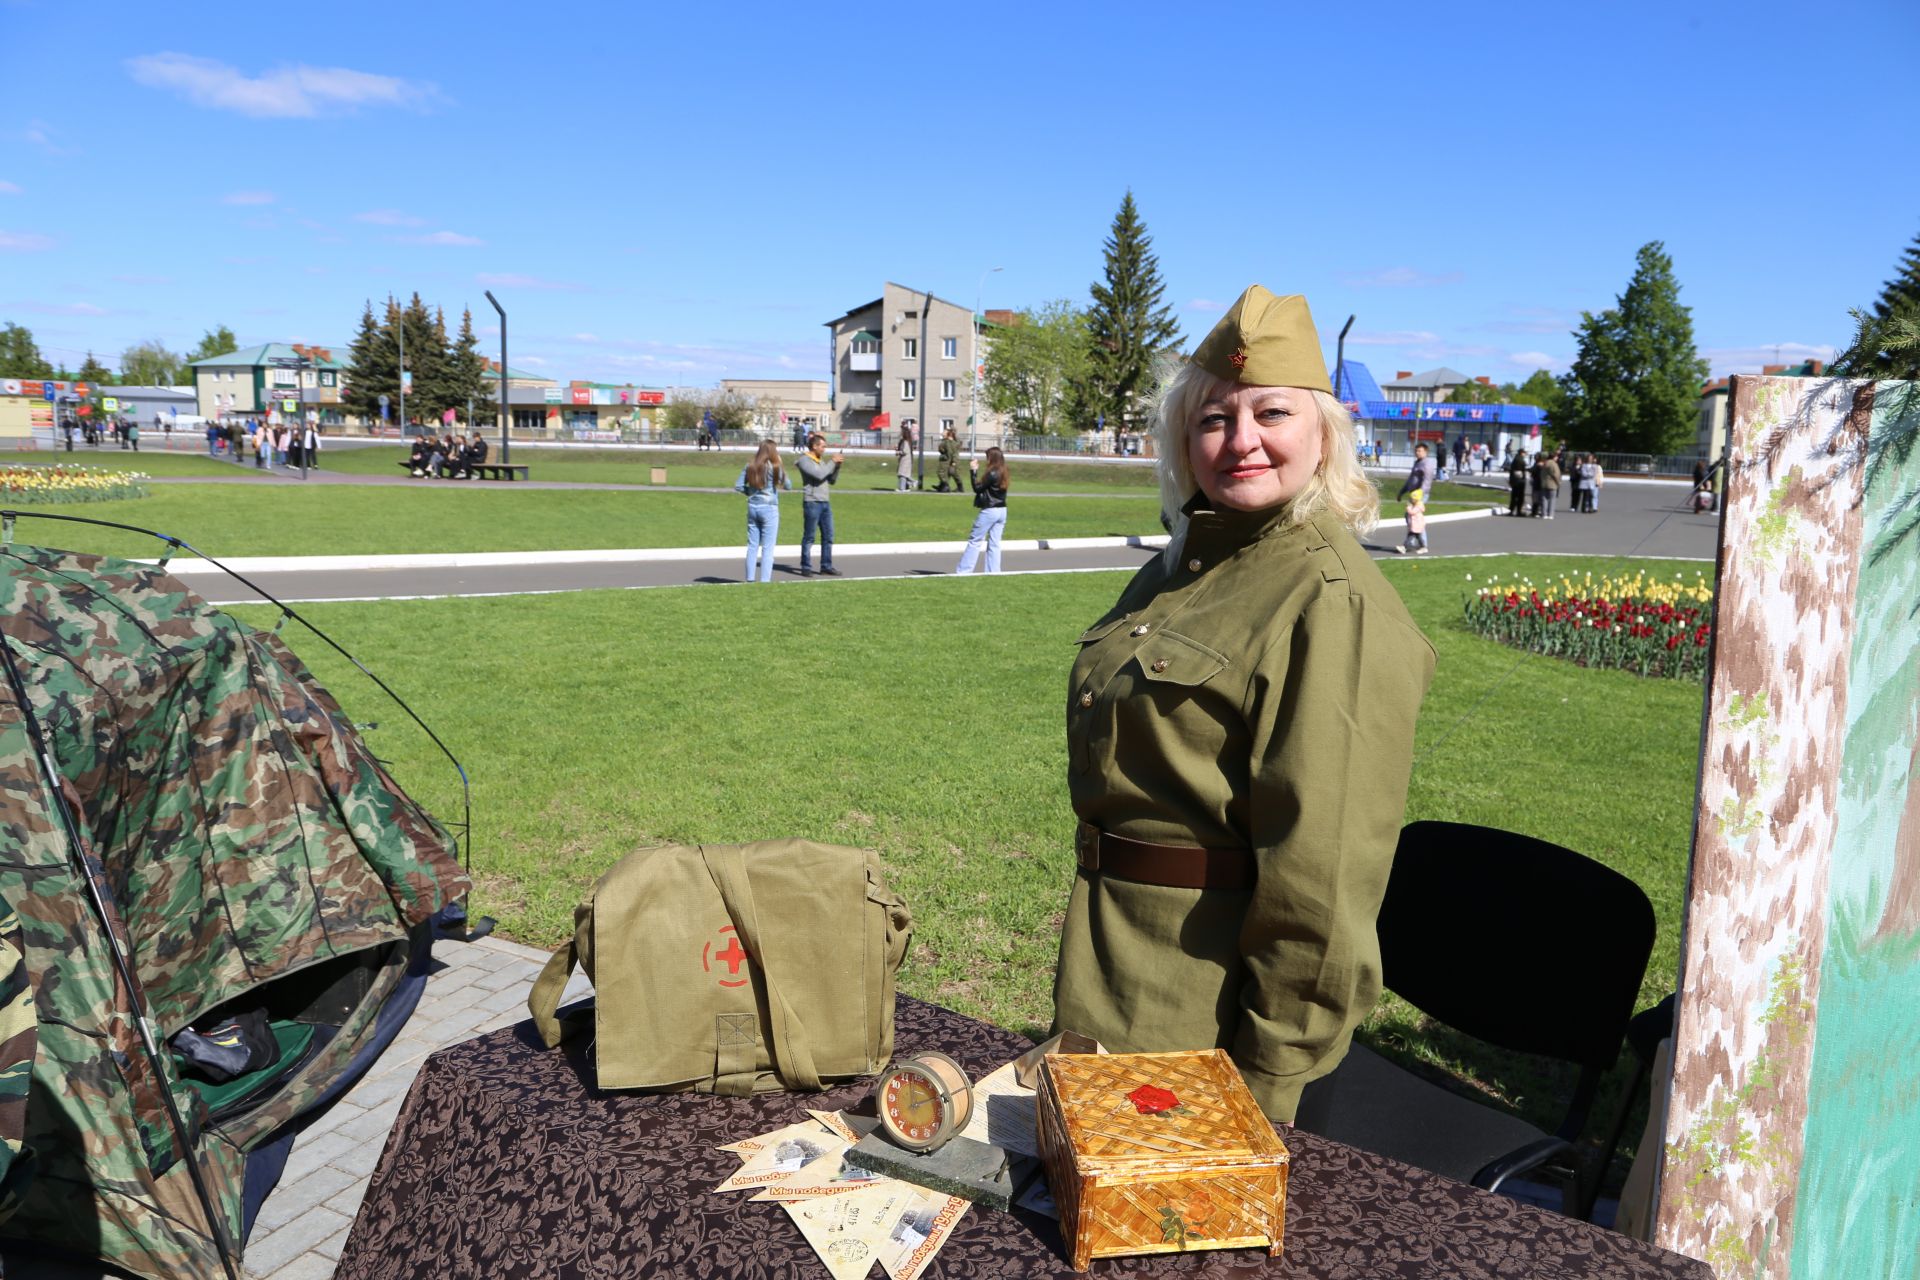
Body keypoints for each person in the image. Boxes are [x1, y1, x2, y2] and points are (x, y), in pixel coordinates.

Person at [1052, 285, 1436, 1127]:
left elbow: (1322, 879)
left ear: (1324, 433)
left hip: (1199, 1000)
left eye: (1272, 413)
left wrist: (1267, 1082)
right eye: (1214, 419)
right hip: (1112, 961)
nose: (1242, 441)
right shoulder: (1190, 562)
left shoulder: (1327, 600)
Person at [735, 440, 790, 583]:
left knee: (752, 545)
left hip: (753, 507)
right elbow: (788, 486)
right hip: (769, 508)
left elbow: (739, 486)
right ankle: (765, 580)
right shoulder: (775, 466)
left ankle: (750, 579)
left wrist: (752, 493)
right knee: (767, 547)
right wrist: (781, 465)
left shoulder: (750, 465)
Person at [954, 447, 1010, 573]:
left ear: (992, 458)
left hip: (990, 510)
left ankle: (964, 571)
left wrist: (973, 471)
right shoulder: (1004, 471)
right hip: (1002, 510)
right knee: (995, 543)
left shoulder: (992, 473)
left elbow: (977, 488)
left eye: (987, 457)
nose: (986, 460)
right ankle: (993, 571)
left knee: (975, 540)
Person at [795, 432, 843, 576]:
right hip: (812, 502)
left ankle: (826, 565)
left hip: (825, 503)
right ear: (814, 446)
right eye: (822, 446)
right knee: (809, 536)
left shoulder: (821, 461)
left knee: (828, 536)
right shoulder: (804, 460)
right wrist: (832, 462)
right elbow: (820, 474)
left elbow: (831, 480)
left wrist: (837, 467)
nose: (824, 449)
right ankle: (805, 566)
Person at [1394, 486, 1428, 554]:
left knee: (1411, 536)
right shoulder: (1415, 505)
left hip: (1417, 525)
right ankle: (1423, 547)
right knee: (1417, 537)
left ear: (1416, 499)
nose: (1411, 500)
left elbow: (1412, 512)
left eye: (1412, 499)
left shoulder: (1419, 506)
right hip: (1414, 525)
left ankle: (1404, 547)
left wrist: (1408, 507)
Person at [1532, 448, 1561, 518]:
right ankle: (1550, 514)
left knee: (1544, 499)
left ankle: (1544, 514)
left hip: (1544, 483)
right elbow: (1556, 474)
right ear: (1553, 457)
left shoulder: (1544, 464)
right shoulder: (1554, 464)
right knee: (1552, 499)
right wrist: (1558, 482)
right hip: (1552, 484)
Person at [936, 426, 963, 493]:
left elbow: (951, 452)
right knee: (946, 473)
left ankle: (955, 487)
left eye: (944, 432)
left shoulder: (950, 441)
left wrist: (952, 461)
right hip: (949, 459)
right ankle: (942, 486)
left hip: (950, 459)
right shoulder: (946, 441)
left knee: (953, 473)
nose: (942, 433)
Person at [1507, 450, 1530, 516]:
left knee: (1514, 496)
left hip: (1514, 480)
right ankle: (1518, 511)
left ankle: (1511, 510)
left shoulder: (1515, 459)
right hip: (1520, 480)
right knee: (1520, 497)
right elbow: (1523, 469)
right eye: (1524, 453)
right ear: (1521, 453)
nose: (1525, 454)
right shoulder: (1520, 460)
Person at [895, 426, 915, 492]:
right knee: (904, 474)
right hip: (906, 460)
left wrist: (898, 452)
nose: (900, 433)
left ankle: (903, 488)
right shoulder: (906, 441)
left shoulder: (905, 442)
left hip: (905, 460)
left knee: (902, 474)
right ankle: (906, 487)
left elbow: (905, 451)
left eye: (901, 432)